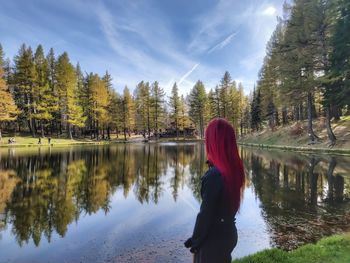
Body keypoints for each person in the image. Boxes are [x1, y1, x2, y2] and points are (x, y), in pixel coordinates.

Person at [184, 118, 245, 263]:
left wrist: (195, 243)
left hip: (213, 241)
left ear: (213, 142)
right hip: (228, 233)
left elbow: (206, 215)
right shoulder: (234, 170)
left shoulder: (214, 176)